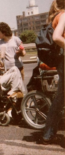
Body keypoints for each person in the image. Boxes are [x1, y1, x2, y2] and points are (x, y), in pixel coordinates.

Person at [41, 0, 64, 145]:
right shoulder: (64, 15)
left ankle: (48, 134)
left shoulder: (57, 15)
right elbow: (56, 37)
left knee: (60, 98)